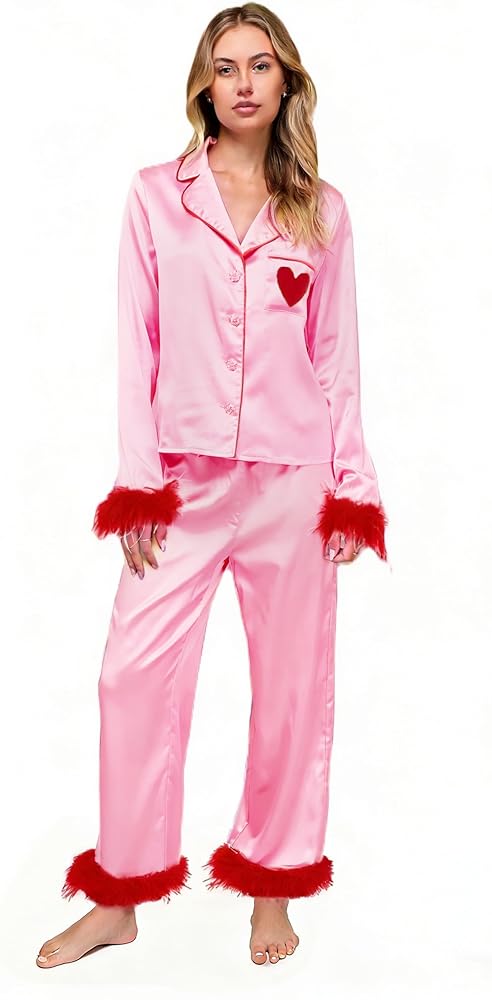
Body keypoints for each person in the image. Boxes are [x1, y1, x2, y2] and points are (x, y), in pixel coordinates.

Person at [36, 1, 388, 971]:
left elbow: (336, 358)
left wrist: (351, 486)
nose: (242, 82)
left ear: (286, 81)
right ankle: (121, 893)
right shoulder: (158, 196)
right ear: (203, 84)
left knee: (292, 689)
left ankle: (274, 886)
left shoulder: (322, 209)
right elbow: (136, 344)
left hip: (292, 483)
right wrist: (139, 483)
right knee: (131, 676)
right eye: (225, 67)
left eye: (259, 65)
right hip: (183, 485)